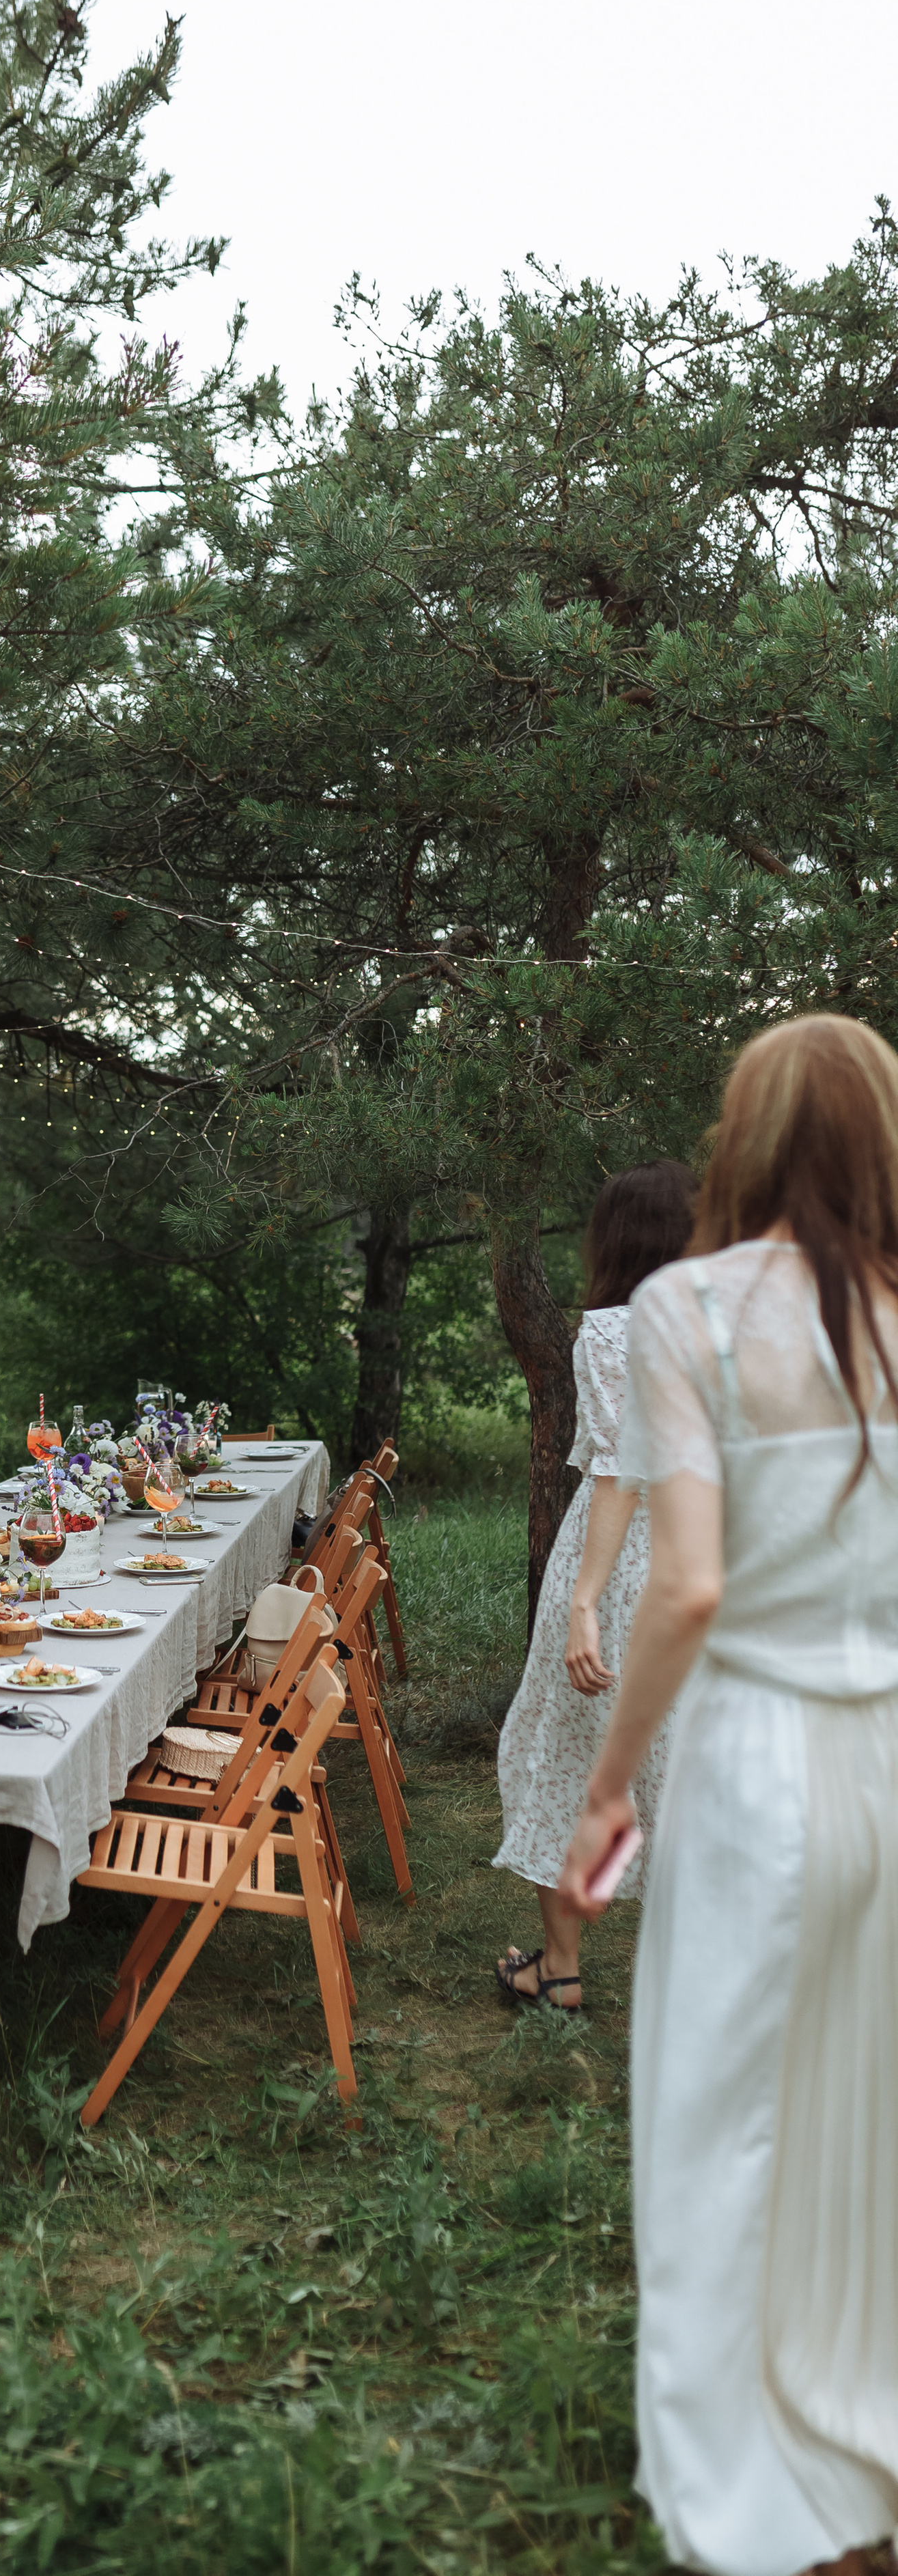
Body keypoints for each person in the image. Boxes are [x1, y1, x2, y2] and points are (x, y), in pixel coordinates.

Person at [559, 1014, 898, 2576]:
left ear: (744, 1135)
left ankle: (751, 2495)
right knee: (858, 2115)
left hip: (761, 1757)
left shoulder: (682, 1306)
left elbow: (683, 1587)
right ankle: (857, 2442)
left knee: (716, 2122)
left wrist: (607, 1785)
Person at [492, 1160, 697, 2011]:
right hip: (705, 1556)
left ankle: (563, 1969)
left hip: (621, 1566)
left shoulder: (614, 1331)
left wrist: (583, 1600)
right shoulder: (726, 1330)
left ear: (616, 1238)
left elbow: (618, 1472)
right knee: (678, 1761)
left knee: (560, 1754)